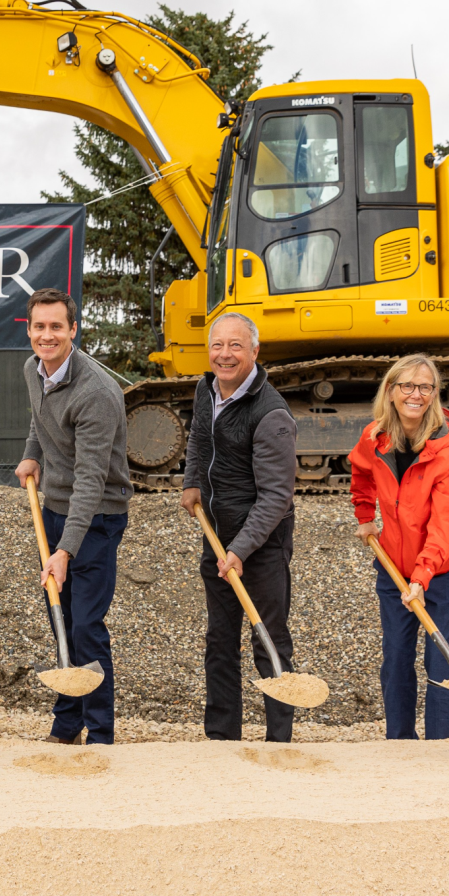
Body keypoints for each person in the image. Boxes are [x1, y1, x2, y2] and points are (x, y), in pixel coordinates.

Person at [14, 288, 131, 746]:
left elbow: (91, 480)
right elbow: (39, 420)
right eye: (39, 327)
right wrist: (30, 455)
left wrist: (64, 551)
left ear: (73, 330)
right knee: (60, 618)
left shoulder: (97, 393)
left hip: (98, 516)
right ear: (30, 330)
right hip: (55, 508)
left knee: (86, 624)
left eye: (56, 327)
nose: (47, 335)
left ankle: (100, 733)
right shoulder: (33, 369)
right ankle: (67, 726)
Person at [350, 355, 449, 740]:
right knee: (396, 658)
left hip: (448, 571)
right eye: (406, 385)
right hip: (394, 567)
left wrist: (423, 576)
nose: (416, 394)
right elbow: (360, 471)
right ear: (390, 391)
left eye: (425, 387)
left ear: (435, 395)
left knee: (442, 658)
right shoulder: (374, 438)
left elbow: (447, 527)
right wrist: (364, 514)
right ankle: (400, 744)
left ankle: (443, 747)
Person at [179, 312, 298, 742]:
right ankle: (222, 736)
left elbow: (275, 498)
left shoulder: (272, 415)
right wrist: (193, 480)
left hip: (262, 543)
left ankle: (279, 740)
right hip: (218, 534)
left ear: (254, 351)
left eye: (235, 346)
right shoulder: (206, 388)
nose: (224, 355)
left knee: (268, 638)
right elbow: (199, 437)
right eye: (217, 345)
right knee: (220, 639)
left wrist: (241, 551)